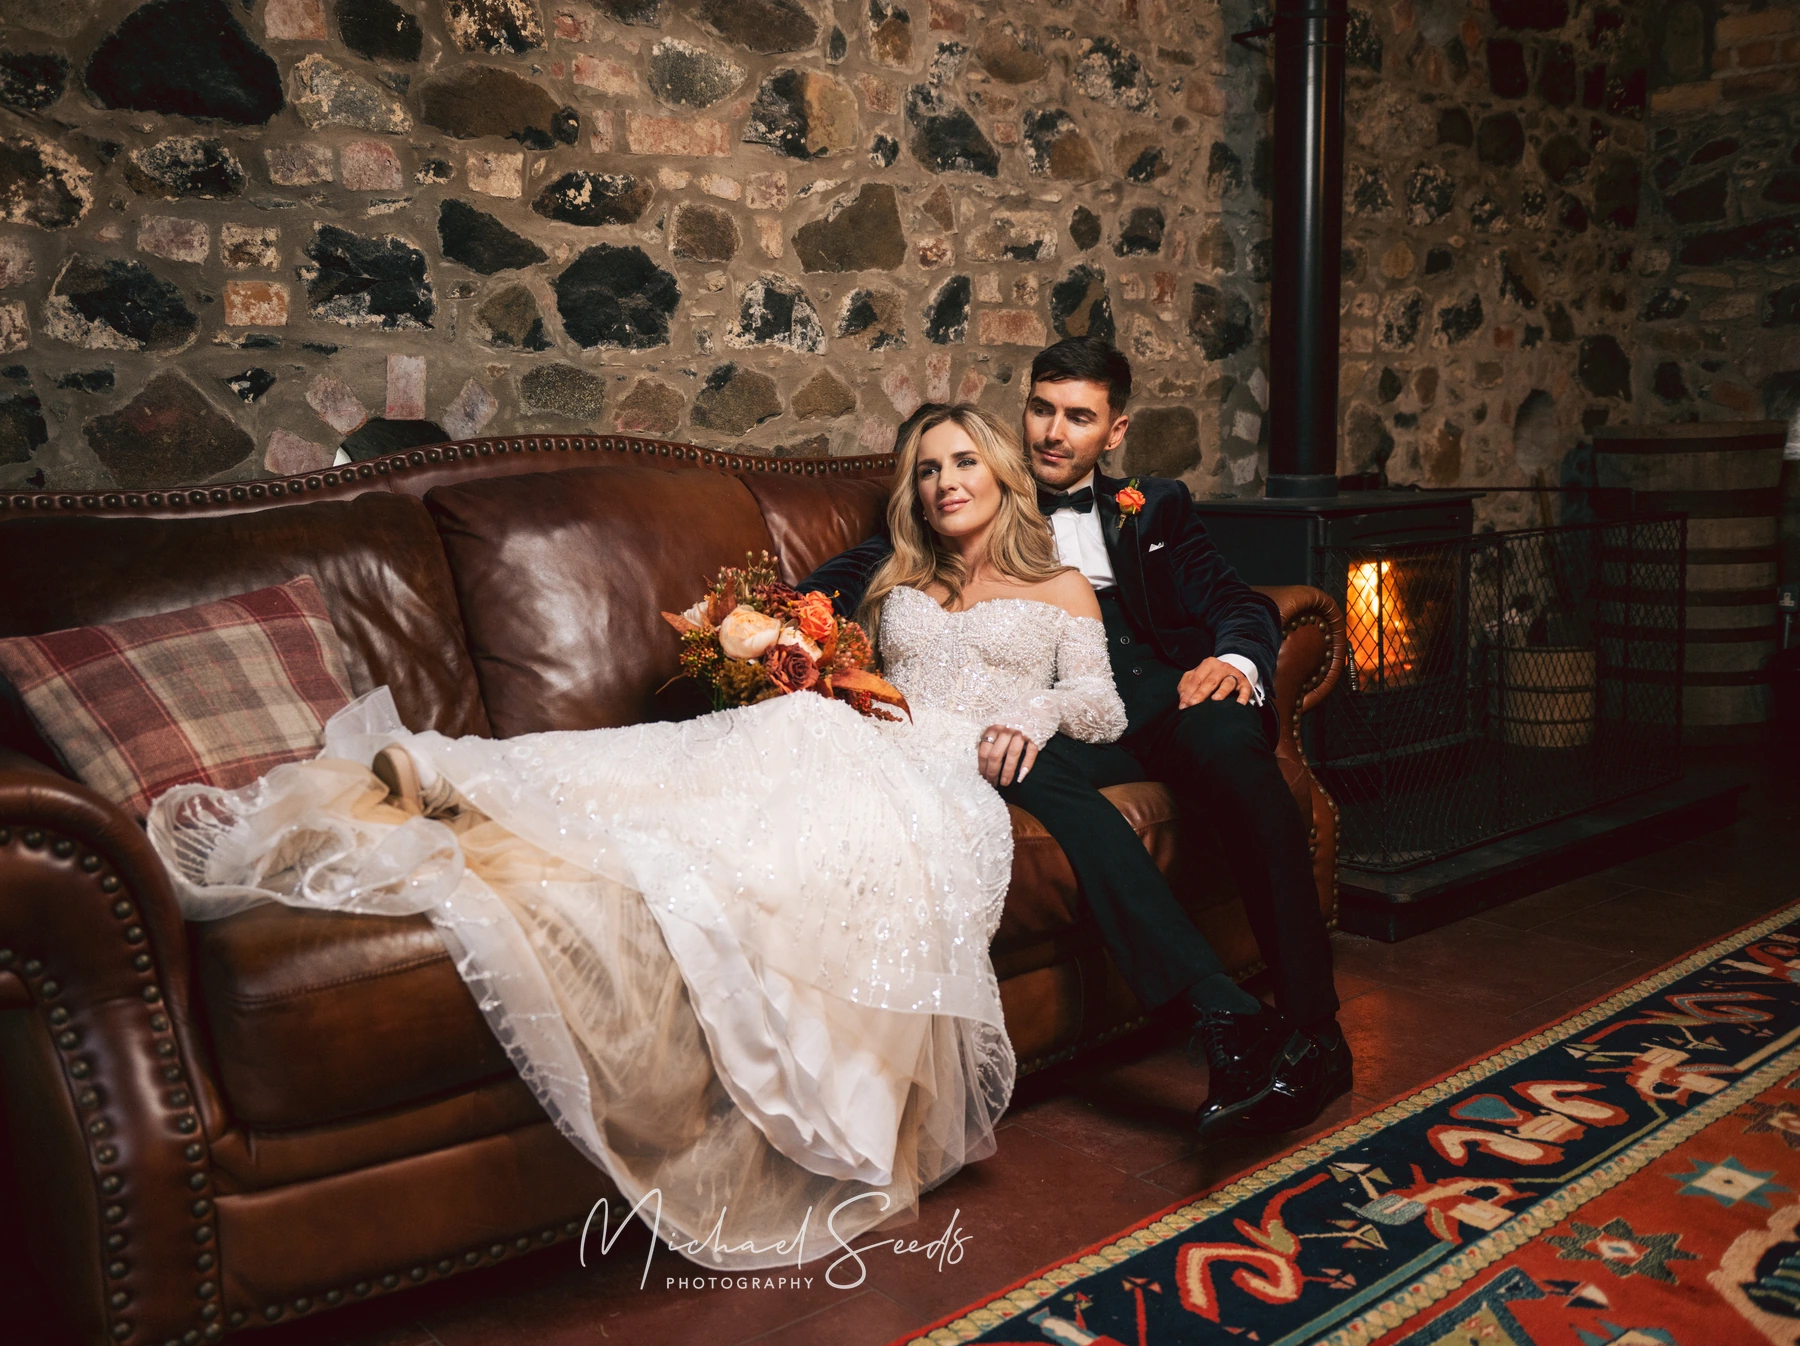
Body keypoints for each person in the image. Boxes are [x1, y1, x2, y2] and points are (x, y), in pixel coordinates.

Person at [146, 408, 1123, 1271]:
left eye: (962, 463)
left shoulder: (1064, 590)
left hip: (958, 769)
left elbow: (1099, 703)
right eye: (924, 468)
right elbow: (818, 642)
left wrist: (1033, 720)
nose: (943, 482)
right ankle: (467, 777)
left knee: (775, 843)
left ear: (1001, 476)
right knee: (718, 750)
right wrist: (802, 657)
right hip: (867, 734)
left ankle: (485, 793)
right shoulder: (895, 577)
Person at [802, 341, 1352, 1135]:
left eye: (1079, 417)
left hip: (1169, 697)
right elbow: (871, 562)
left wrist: (1230, 661)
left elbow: (1239, 601)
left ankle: (1313, 1032)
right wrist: (777, 615)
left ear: (1115, 429)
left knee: (1237, 753)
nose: (1054, 433)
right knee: (1006, 755)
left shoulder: (1152, 507)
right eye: (1041, 409)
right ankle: (1220, 1015)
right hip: (1056, 717)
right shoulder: (970, 484)